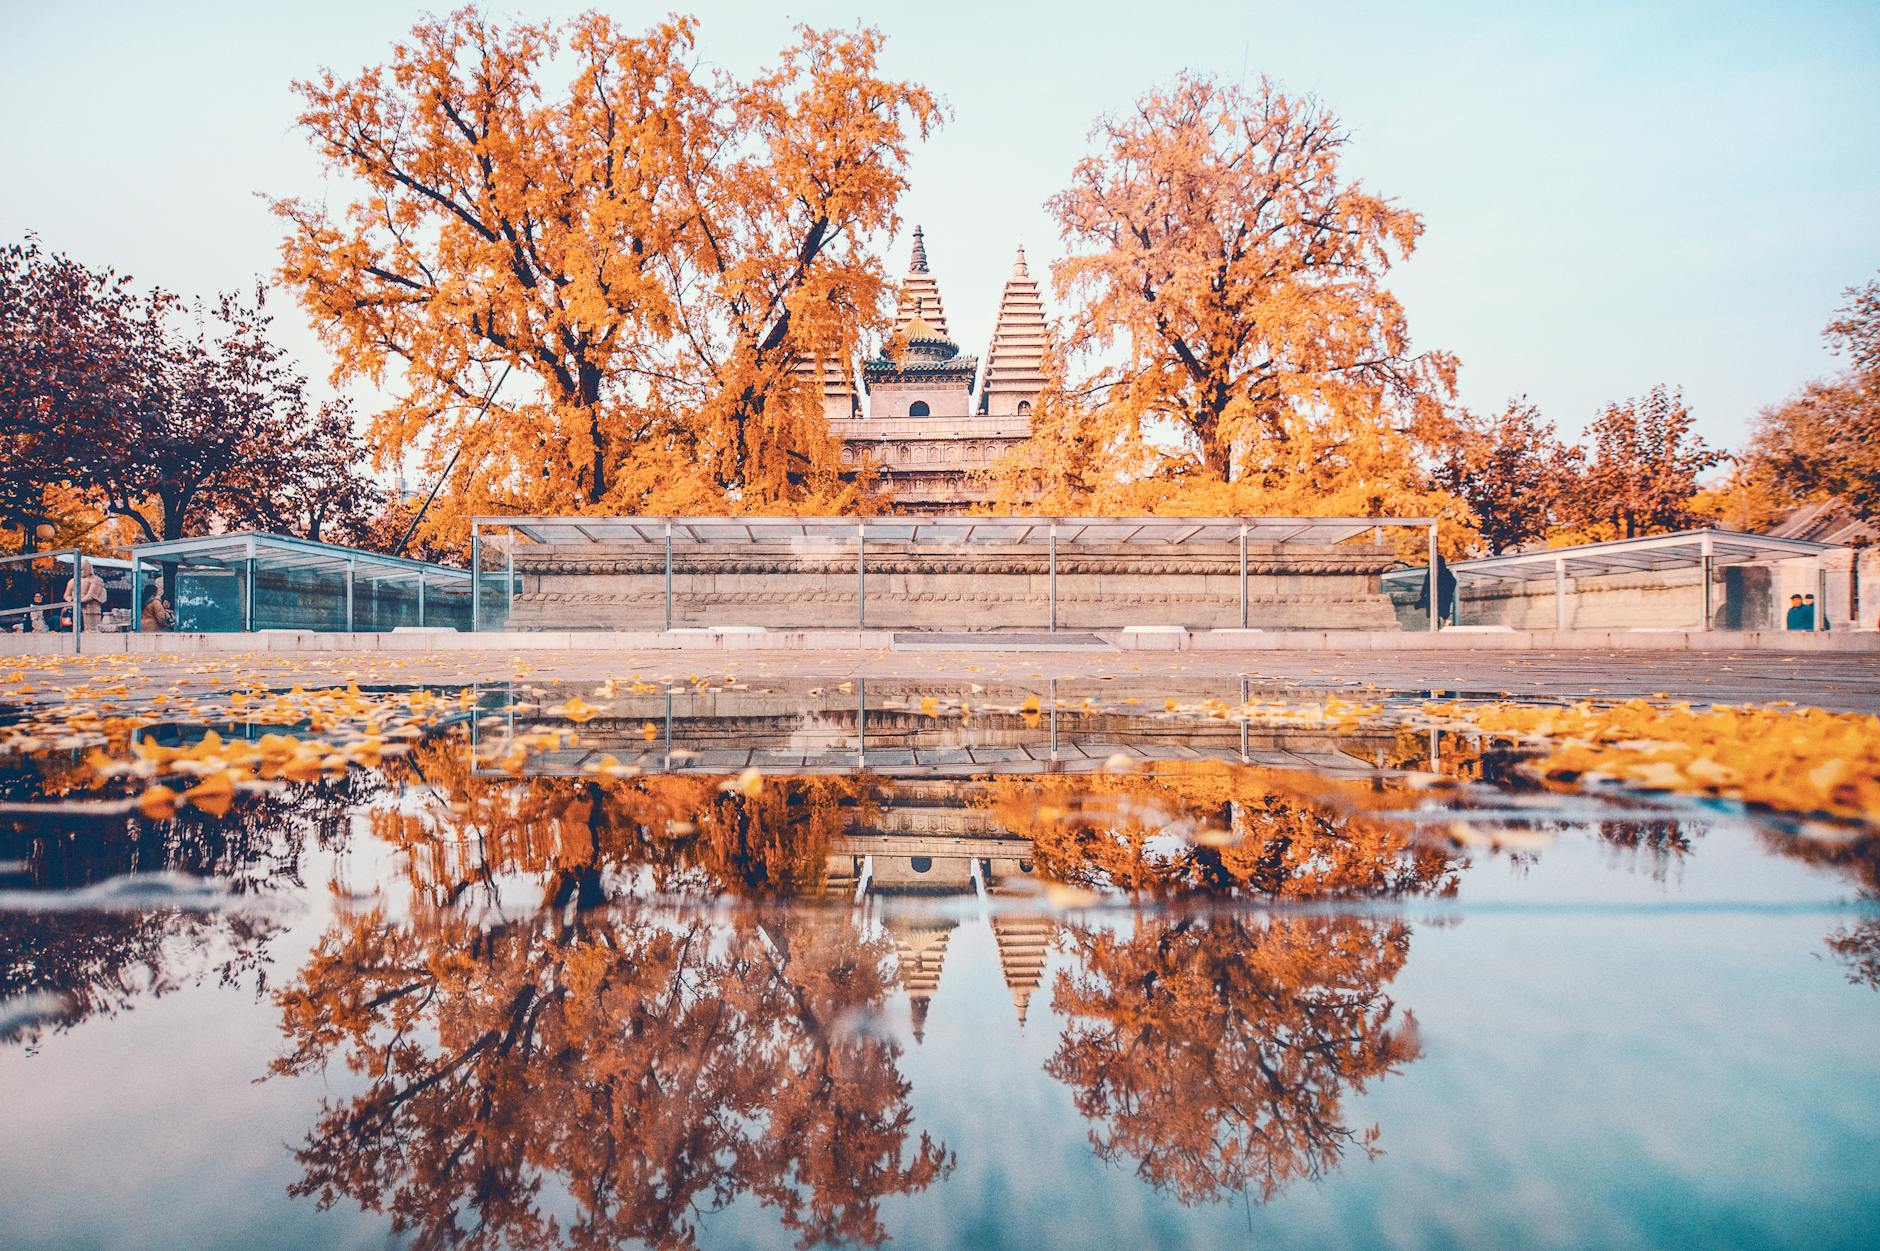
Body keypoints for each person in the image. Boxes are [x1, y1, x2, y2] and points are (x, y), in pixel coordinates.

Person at [62, 559, 107, 632]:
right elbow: (66, 595)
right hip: (75, 607)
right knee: (73, 627)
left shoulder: (96, 580)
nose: (80, 572)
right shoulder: (72, 581)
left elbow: (91, 595)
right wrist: (72, 600)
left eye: (82, 570)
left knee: (91, 630)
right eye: (78, 570)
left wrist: (80, 601)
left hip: (91, 607)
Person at [1413, 555, 1458, 627]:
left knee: (1434, 614)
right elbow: (1453, 582)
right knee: (1442, 613)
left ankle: (1437, 624)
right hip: (1444, 597)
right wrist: (1449, 592)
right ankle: (1441, 622)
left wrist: (1423, 595)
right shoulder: (1446, 573)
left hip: (1434, 597)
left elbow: (1426, 584)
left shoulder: (1431, 572)